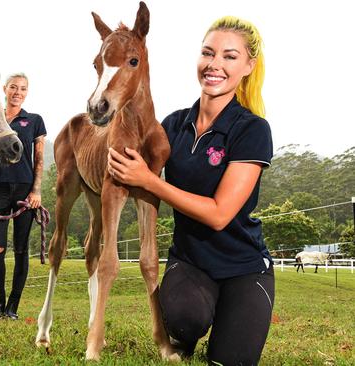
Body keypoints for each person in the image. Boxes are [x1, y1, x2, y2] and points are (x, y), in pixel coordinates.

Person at [107, 17, 274, 365]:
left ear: (248, 66)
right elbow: (128, 140)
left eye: (229, 57)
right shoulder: (172, 125)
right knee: (185, 318)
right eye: (207, 53)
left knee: (230, 359)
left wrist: (150, 181)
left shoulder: (252, 129)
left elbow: (219, 214)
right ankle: (187, 329)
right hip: (191, 262)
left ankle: (231, 318)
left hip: (244, 266)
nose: (214, 65)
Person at [0, 73, 46, 320]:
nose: (18, 92)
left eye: (23, 88)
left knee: (21, 249)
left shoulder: (34, 121)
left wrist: (36, 191)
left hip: (25, 189)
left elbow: (39, 159)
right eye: (13, 87)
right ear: (4, 89)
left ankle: (12, 308)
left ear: (27, 92)